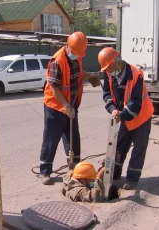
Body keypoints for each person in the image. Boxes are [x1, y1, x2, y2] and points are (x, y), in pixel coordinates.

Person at [39, 32, 101, 185]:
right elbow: (53, 86)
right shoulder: (57, 61)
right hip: (56, 106)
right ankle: (45, 171)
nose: (77, 55)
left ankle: (75, 168)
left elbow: (78, 72)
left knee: (73, 137)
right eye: (74, 52)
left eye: (79, 53)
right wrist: (65, 106)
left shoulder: (77, 55)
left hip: (71, 104)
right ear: (67, 46)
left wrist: (88, 76)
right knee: (51, 138)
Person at [98, 47, 154, 190]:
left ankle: (132, 178)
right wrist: (113, 109)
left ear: (117, 61)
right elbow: (107, 95)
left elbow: (135, 104)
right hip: (123, 116)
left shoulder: (136, 74)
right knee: (120, 146)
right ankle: (114, 174)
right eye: (106, 69)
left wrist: (121, 115)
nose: (108, 71)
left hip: (141, 116)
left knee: (139, 148)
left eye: (109, 67)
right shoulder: (108, 73)